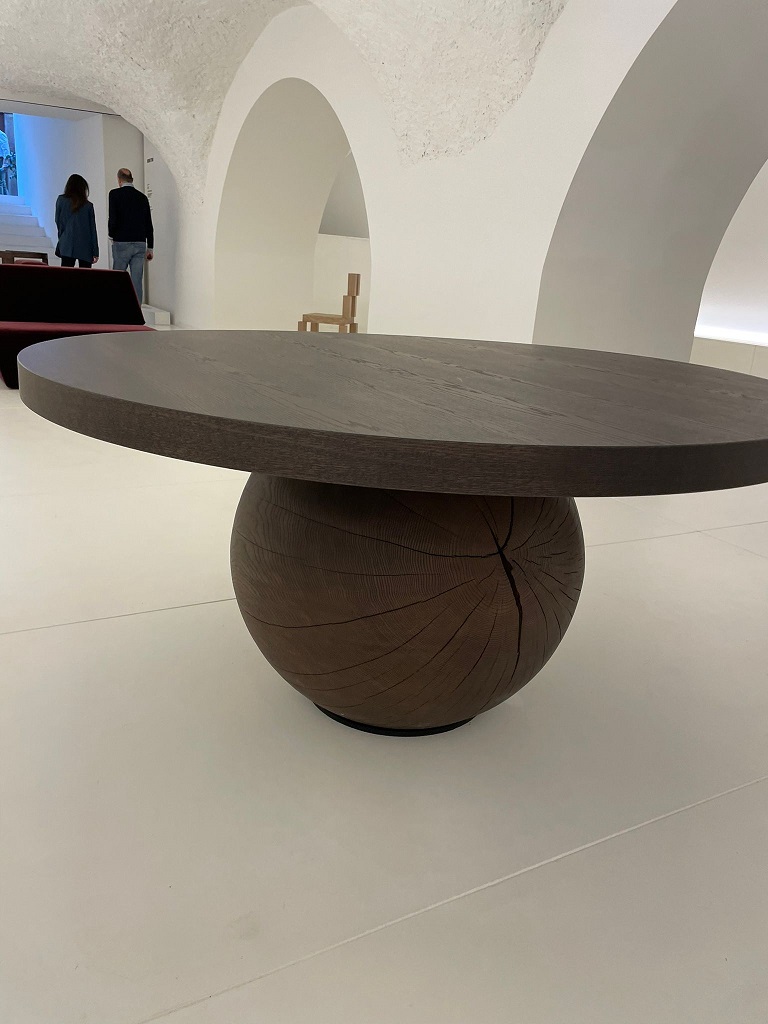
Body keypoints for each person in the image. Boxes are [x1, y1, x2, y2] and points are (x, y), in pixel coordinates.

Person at [108, 167, 154, 303]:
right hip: (140, 242)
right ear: (131, 179)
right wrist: (150, 247)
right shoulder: (142, 197)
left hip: (121, 242)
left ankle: (117, 308)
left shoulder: (114, 194)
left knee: (117, 278)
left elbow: (113, 218)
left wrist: (111, 235)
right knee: (136, 280)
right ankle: (136, 309)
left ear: (119, 180)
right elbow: (148, 223)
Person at [55, 174, 99, 268]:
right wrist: (95, 251)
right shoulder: (88, 206)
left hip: (67, 243)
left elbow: (58, 222)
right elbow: (92, 229)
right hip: (85, 246)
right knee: (84, 275)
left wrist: (62, 238)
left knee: (66, 274)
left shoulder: (61, 200)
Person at [0, 128, 11, 195]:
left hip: (1, 160)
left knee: (1, 182)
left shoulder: (1, 135)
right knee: (2, 182)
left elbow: (6, 150)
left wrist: (5, 163)